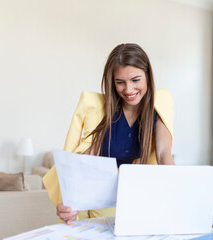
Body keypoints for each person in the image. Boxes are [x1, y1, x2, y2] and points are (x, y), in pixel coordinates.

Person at [43, 43, 175, 224]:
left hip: (124, 192)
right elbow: (84, 161)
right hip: (91, 188)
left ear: (147, 77)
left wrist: (177, 194)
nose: (128, 90)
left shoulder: (160, 104)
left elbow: (163, 154)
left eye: (135, 80)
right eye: (120, 82)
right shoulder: (103, 111)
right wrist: (69, 204)